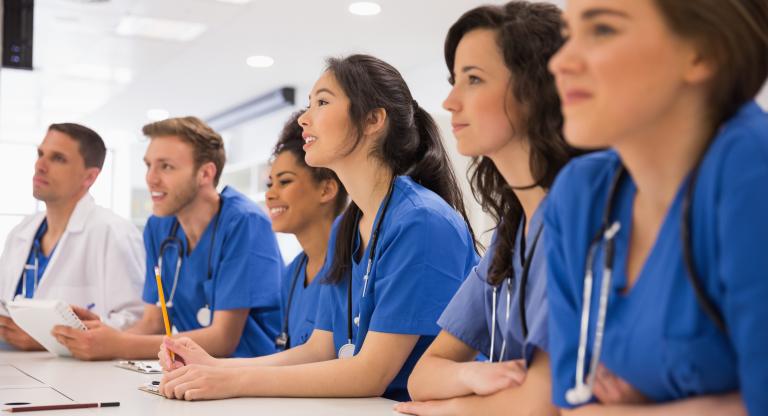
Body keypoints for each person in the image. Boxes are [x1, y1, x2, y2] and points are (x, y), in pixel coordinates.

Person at [156, 54, 478, 402]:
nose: (305, 120)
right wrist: (216, 368)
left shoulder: (422, 221)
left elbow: (370, 374)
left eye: (322, 102)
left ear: (373, 120)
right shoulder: (348, 224)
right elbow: (319, 350)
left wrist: (232, 383)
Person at [546, 0, 768, 414]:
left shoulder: (752, 167)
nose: (560, 62)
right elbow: (575, 403)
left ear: (703, 52)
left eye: (603, 30)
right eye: (566, 35)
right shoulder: (580, 195)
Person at [396, 3, 575, 415]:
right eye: (454, 80)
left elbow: (542, 403)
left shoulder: (572, 217)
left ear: (537, 90)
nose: (450, 101)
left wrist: (455, 409)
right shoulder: (511, 233)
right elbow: (423, 377)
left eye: (473, 79)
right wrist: (472, 376)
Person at [52, 116, 283, 360]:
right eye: (148, 165)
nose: (151, 178)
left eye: (166, 167)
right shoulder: (159, 227)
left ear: (205, 173)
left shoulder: (244, 222)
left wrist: (118, 345)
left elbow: (222, 339)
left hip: (252, 376)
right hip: (196, 373)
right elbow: (153, 322)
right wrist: (100, 337)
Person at [0, 123, 144, 350]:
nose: (40, 165)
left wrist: (47, 337)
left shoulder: (113, 232)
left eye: (58, 158)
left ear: (89, 177)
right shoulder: (22, 232)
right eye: (40, 154)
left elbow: (137, 322)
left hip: (74, 378)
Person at [267, 110, 347, 350]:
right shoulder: (292, 274)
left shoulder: (351, 267)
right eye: (269, 183)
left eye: (285, 181)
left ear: (326, 190)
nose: (270, 194)